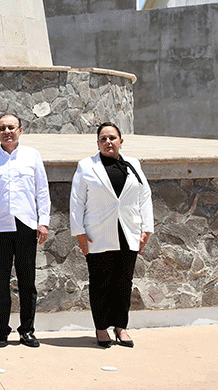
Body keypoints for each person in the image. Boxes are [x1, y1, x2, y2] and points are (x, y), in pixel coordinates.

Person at [70, 122, 153, 348]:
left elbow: (144, 196)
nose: (108, 142)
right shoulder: (86, 166)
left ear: (120, 141)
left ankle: (121, 327)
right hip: (98, 233)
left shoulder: (133, 164)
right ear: (98, 143)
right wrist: (79, 233)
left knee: (123, 282)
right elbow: (77, 201)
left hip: (129, 232)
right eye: (103, 139)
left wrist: (147, 229)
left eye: (112, 138)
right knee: (100, 282)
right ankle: (101, 328)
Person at [0, 114, 50, 348]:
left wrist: (43, 222)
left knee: (28, 282)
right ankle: (2, 331)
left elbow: (42, 192)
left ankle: (27, 330)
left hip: (26, 226)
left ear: (20, 130)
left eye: (11, 127)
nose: (7, 131)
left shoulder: (32, 156)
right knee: (0, 281)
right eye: (2, 128)